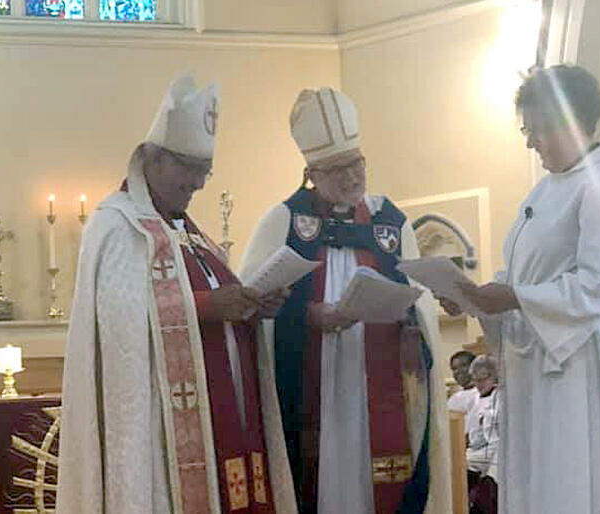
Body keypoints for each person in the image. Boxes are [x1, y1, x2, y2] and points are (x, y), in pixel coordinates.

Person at [56, 74, 297, 513]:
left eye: (204, 172)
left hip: (225, 416)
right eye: (189, 170)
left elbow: (211, 306)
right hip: (160, 430)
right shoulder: (117, 224)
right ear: (154, 158)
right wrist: (205, 307)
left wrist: (251, 308)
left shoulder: (188, 231)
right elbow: (119, 327)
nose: (198, 184)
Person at [440, 64, 600, 513]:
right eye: (526, 129)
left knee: (578, 477)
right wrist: (475, 297)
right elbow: (522, 273)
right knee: (543, 480)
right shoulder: (546, 189)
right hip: (541, 358)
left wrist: (514, 297)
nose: (530, 142)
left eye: (535, 129)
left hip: (583, 359)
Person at [239, 87, 451, 514]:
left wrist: (412, 321)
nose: (352, 177)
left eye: (357, 164)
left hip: (381, 380)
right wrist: (307, 317)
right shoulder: (283, 221)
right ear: (311, 173)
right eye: (338, 170)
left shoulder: (390, 222)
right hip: (315, 384)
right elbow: (249, 309)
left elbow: (421, 305)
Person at [465, 355, 500, 514]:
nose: (478, 385)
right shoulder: (476, 399)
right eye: (475, 380)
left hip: (494, 455)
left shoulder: (500, 399)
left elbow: (495, 439)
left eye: (482, 379)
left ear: (494, 376)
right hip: (477, 451)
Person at [447, 350, 479, 415]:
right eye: (454, 368)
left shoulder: (483, 394)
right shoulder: (454, 398)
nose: (458, 371)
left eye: (463, 365)